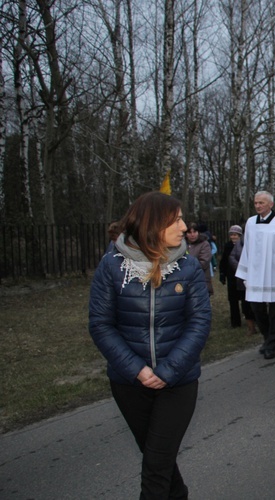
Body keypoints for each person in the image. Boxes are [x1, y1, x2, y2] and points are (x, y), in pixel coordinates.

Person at [89, 191, 211, 499]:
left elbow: (199, 323)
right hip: (130, 383)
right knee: (159, 459)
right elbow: (101, 324)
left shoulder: (189, 266)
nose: (184, 227)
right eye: (177, 219)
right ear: (154, 223)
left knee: (156, 465)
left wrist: (168, 370)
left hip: (178, 381)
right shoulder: (112, 266)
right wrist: (137, 370)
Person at [235, 191, 275, 359]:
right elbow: (247, 248)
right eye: (256, 203)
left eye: (261, 203)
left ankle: (272, 343)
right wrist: (245, 274)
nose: (258, 206)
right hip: (256, 273)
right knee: (257, 309)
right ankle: (267, 338)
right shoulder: (250, 222)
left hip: (274, 273)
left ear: (270, 204)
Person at [219, 225, 254, 331]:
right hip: (231, 276)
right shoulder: (228, 246)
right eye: (232, 235)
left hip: (243, 277)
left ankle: (251, 319)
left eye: (236, 235)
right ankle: (235, 322)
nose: (233, 237)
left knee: (245, 300)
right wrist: (222, 273)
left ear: (240, 235)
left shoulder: (245, 245)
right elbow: (224, 260)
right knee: (233, 300)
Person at [186, 222, 214, 296]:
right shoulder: (183, 245)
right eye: (189, 232)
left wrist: (186, 269)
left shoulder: (204, 244)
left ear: (198, 232)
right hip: (186, 283)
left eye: (194, 232)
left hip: (201, 282)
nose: (192, 235)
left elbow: (203, 262)